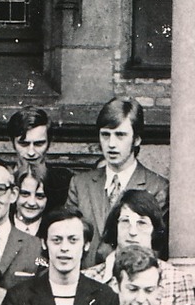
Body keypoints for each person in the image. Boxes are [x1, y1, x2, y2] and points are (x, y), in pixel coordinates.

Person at [0, 208, 119, 305]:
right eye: (56, 240)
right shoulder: (18, 297)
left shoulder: (106, 298)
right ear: (44, 243)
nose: (64, 248)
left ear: (86, 244)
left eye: (73, 240)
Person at [66, 97, 169, 265]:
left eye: (120, 135)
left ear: (136, 139)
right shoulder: (80, 184)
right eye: (105, 135)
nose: (111, 144)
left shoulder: (157, 187)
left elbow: (156, 248)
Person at [84, 190, 195, 305]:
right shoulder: (89, 279)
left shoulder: (176, 280)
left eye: (142, 223)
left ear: (154, 230)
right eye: (125, 221)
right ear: (115, 227)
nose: (132, 232)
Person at [8, 106, 72, 210]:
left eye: (39, 144)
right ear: (12, 143)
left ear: (49, 143)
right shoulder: (2, 179)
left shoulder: (64, 182)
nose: (31, 152)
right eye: (24, 144)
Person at [11, 162, 51, 236]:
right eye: (25, 194)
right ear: (14, 194)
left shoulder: (52, 230)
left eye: (40, 196)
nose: (31, 203)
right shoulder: (2, 228)